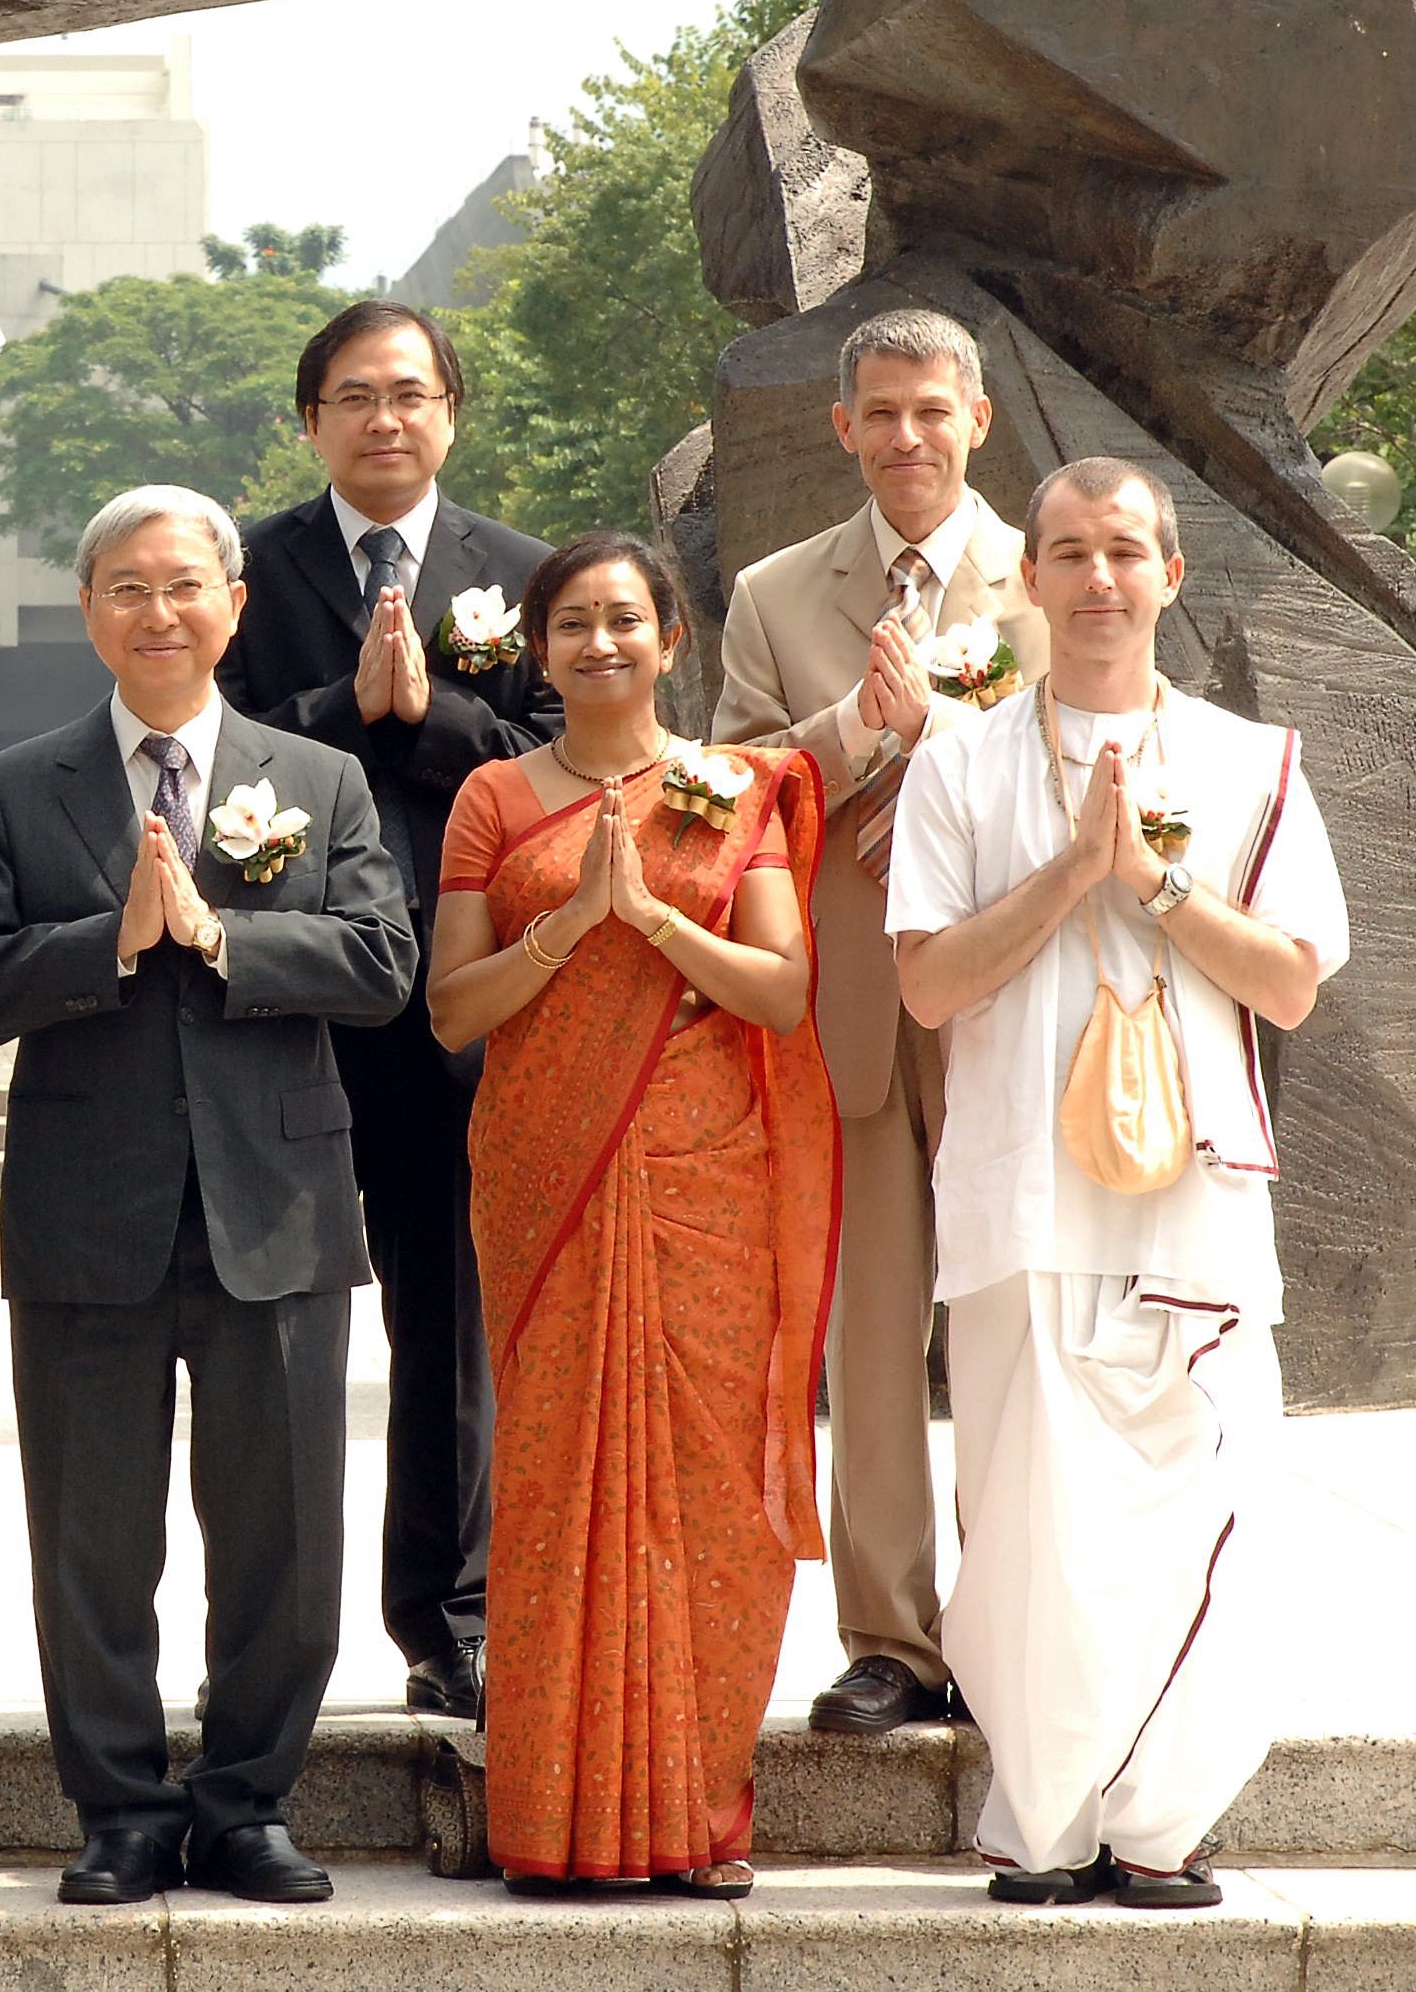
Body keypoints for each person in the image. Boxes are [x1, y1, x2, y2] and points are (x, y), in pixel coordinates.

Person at [0, 486, 417, 1909]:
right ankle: (123, 1807)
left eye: (184, 585)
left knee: (281, 1527)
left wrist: (219, 935)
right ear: (89, 614)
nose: (159, 612)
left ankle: (250, 1801)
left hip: (278, 1204)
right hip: (90, 1209)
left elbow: (383, 964)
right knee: (92, 1532)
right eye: (127, 589)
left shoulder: (314, 777)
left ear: (234, 604)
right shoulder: (17, 787)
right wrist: (113, 940)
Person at [886, 459, 1350, 1910]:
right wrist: (1068, 875)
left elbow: (1289, 988)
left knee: (1196, 1501)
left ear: (1171, 577)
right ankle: (1046, 1821)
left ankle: (1161, 1824)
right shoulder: (958, 764)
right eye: (1070, 552)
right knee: (1033, 1520)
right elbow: (925, 983)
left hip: (1190, 1201)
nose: (1098, 580)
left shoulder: (1248, 760)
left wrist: (1152, 885)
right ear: (1027, 577)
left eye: (1126, 553)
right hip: (1024, 1196)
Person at [425, 533, 833, 1892]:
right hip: (547, 1175)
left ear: (672, 638)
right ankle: (553, 1821)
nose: (602, 642)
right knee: (554, 1486)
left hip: (706, 1171)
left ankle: (695, 1810)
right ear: (536, 650)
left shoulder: (727, 788)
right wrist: (568, 926)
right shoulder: (492, 794)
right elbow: (449, 1010)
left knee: (708, 1489)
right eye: (574, 623)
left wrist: (648, 919)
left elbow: (779, 990)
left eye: (627, 619)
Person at [214, 298, 556, 1722]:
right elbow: (209, 752)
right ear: (310, 424)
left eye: (410, 393)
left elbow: (562, 757)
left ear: (452, 412)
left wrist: (436, 719)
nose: (385, 419)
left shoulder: (525, 575)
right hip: (294, 994)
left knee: (452, 1327)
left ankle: (449, 1617)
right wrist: (352, 715)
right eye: (352, 396)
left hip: (459, 1003)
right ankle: (265, 1641)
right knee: (278, 1329)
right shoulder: (241, 572)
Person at [709, 307, 1043, 1735]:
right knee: (870, 1331)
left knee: (1012, 1322)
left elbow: (1099, 752)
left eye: (933, 410)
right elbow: (719, 787)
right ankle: (893, 1642)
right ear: (842, 430)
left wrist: (947, 759)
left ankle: (1017, 1625)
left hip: (999, 1003)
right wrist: (854, 730)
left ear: (977, 422)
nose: (908, 435)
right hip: (844, 1006)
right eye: (881, 413)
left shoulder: (1054, 580)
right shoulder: (777, 592)